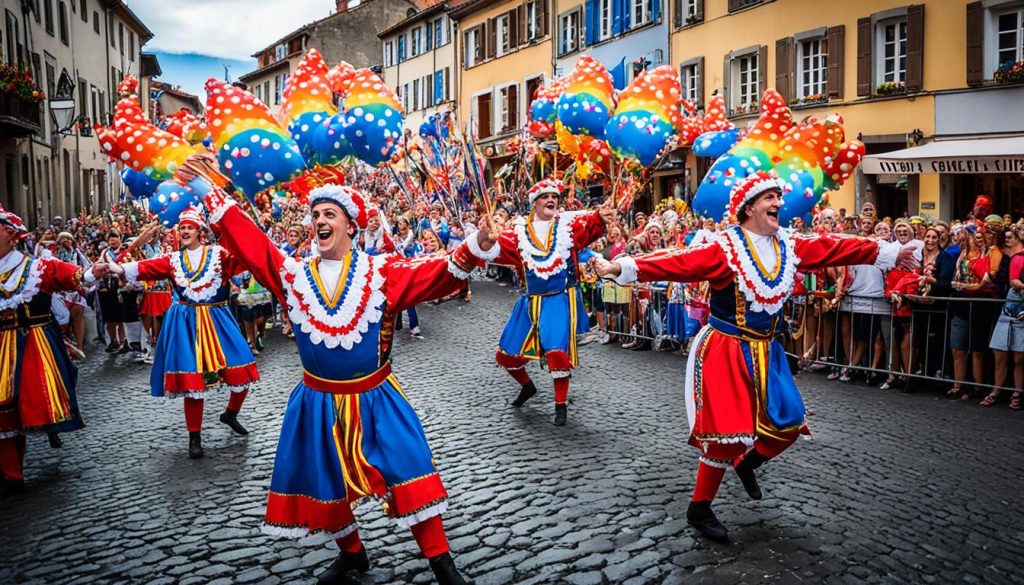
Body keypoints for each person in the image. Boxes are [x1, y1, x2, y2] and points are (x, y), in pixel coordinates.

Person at [592, 170, 913, 542]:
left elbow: (832, 247)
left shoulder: (789, 245)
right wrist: (622, 266)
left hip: (767, 349)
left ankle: (747, 463)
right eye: (770, 198)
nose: (778, 203)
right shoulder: (724, 248)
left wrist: (883, 252)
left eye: (779, 197)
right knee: (724, 436)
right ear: (748, 208)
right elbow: (679, 262)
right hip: (725, 348)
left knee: (790, 424)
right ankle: (700, 508)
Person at [201, 179, 489, 585]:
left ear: (351, 226)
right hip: (317, 402)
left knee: (409, 471)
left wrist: (475, 243)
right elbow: (254, 245)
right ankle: (353, 554)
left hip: (376, 397)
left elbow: (436, 273)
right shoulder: (294, 276)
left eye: (329, 214)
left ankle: (443, 565)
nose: (319, 221)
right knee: (325, 482)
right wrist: (206, 188)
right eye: (315, 215)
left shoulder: (381, 272)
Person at [90, 208, 258, 459]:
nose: (186, 231)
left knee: (242, 368)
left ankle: (230, 414)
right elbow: (147, 268)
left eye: (190, 227)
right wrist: (119, 267)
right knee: (192, 381)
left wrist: (238, 229)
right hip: (186, 321)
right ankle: (194, 437)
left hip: (218, 318)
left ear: (200, 231)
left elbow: (243, 258)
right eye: (182, 228)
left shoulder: (219, 255)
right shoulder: (172, 260)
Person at [488, 178, 615, 426]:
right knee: (506, 356)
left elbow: (590, 226)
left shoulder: (567, 229)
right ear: (534, 203)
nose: (551, 200)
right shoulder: (519, 233)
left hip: (558, 300)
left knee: (557, 351)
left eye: (554, 197)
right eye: (545, 197)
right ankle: (527, 387)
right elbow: (495, 248)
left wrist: (601, 215)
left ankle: (560, 404)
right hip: (530, 302)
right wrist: (488, 236)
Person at [0, 206, 100, 496]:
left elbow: (74, 275)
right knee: (4, 409)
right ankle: (11, 473)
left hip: (32, 346)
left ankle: (14, 471)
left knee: (26, 401)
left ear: (10, 235)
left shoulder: (36, 267)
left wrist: (93, 270)